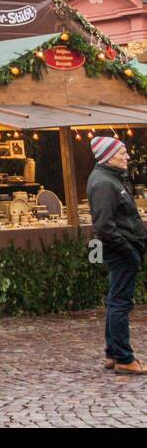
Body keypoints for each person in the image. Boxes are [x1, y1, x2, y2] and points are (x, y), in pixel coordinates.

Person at [88, 135, 147, 375]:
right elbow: (104, 226)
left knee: (116, 301)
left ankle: (113, 353)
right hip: (121, 251)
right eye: (122, 153)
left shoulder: (110, 178)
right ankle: (124, 357)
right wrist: (128, 250)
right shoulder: (104, 182)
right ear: (108, 156)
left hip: (123, 249)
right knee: (120, 303)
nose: (127, 156)